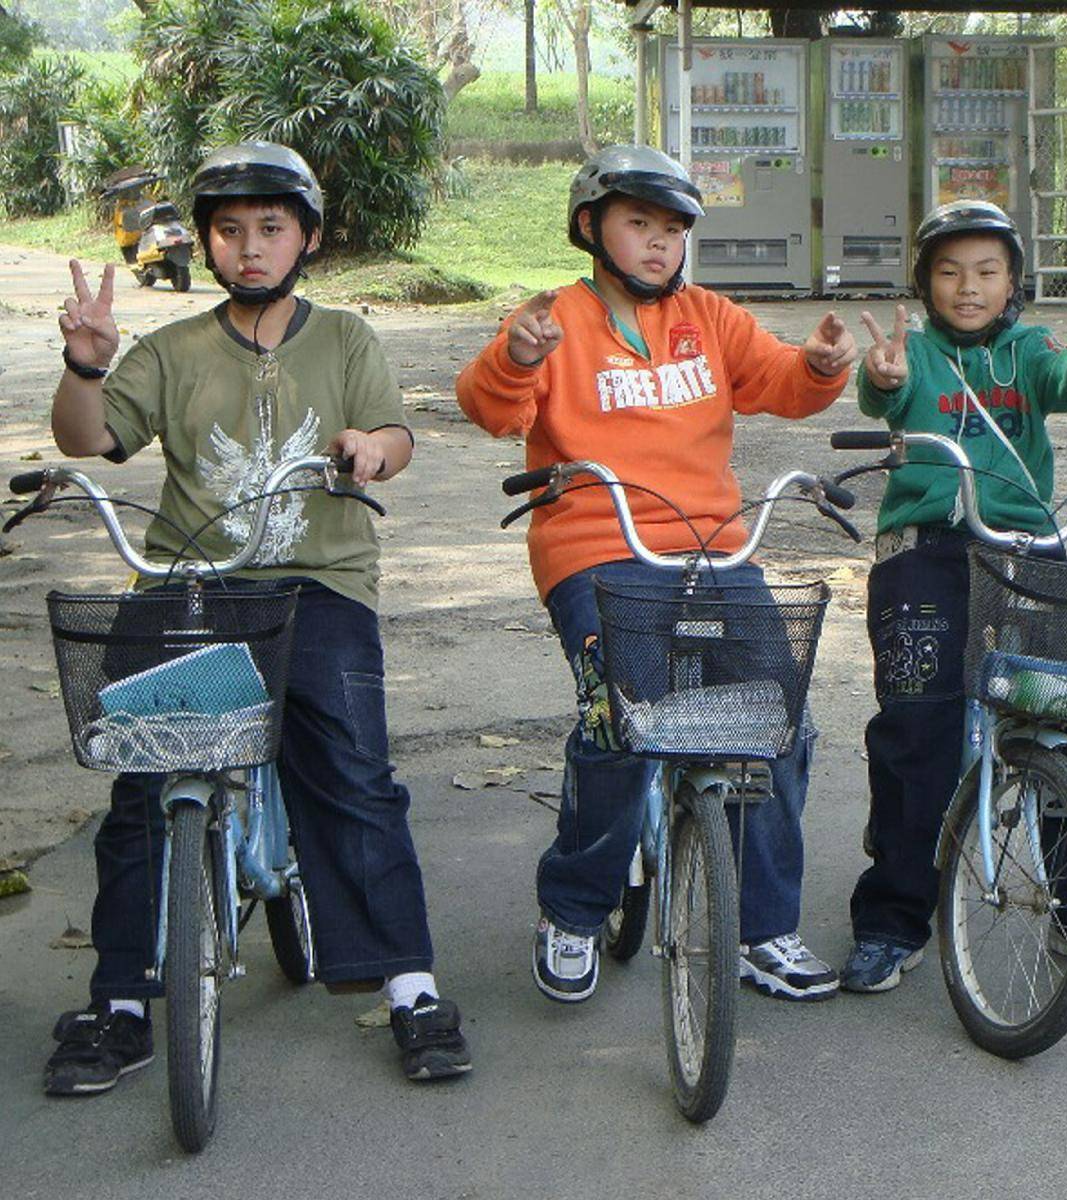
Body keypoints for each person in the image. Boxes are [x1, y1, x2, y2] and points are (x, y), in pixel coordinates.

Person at [42, 141, 471, 1094]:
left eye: (271, 229)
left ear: (306, 238)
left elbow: (395, 434)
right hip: (191, 589)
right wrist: (83, 367)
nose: (249, 247)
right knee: (138, 783)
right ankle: (119, 1003)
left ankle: (410, 986)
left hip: (320, 584)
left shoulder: (348, 337)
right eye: (229, 231)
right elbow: (89, 438)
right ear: (204, 242)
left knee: (355, 774)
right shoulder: (171, 350)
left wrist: (373, 448)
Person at [456, 145, 857, 1005]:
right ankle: (573, 909)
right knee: (618, 723)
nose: (658, 244)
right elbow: (491, 411)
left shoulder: (707, 317)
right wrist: (518, 358)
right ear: (591, 228)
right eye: (639, 224)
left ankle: (764, 928)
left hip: (713, 545)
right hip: (598, 546)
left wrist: (820, 367)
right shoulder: (552, 317)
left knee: (776, 718)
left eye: (673, 229)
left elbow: (777, 380)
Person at [840, 199, 1067, 992]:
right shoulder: (914, 355)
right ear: (925, 282)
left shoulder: (1028, 351)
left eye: (987, 271)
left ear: (1014, 281)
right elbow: (878, 393)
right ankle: (892, 922)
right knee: (916, 731)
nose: (968, 287)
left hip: (1026, 548)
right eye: (950, 272)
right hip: (924, 553)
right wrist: (880, 376)